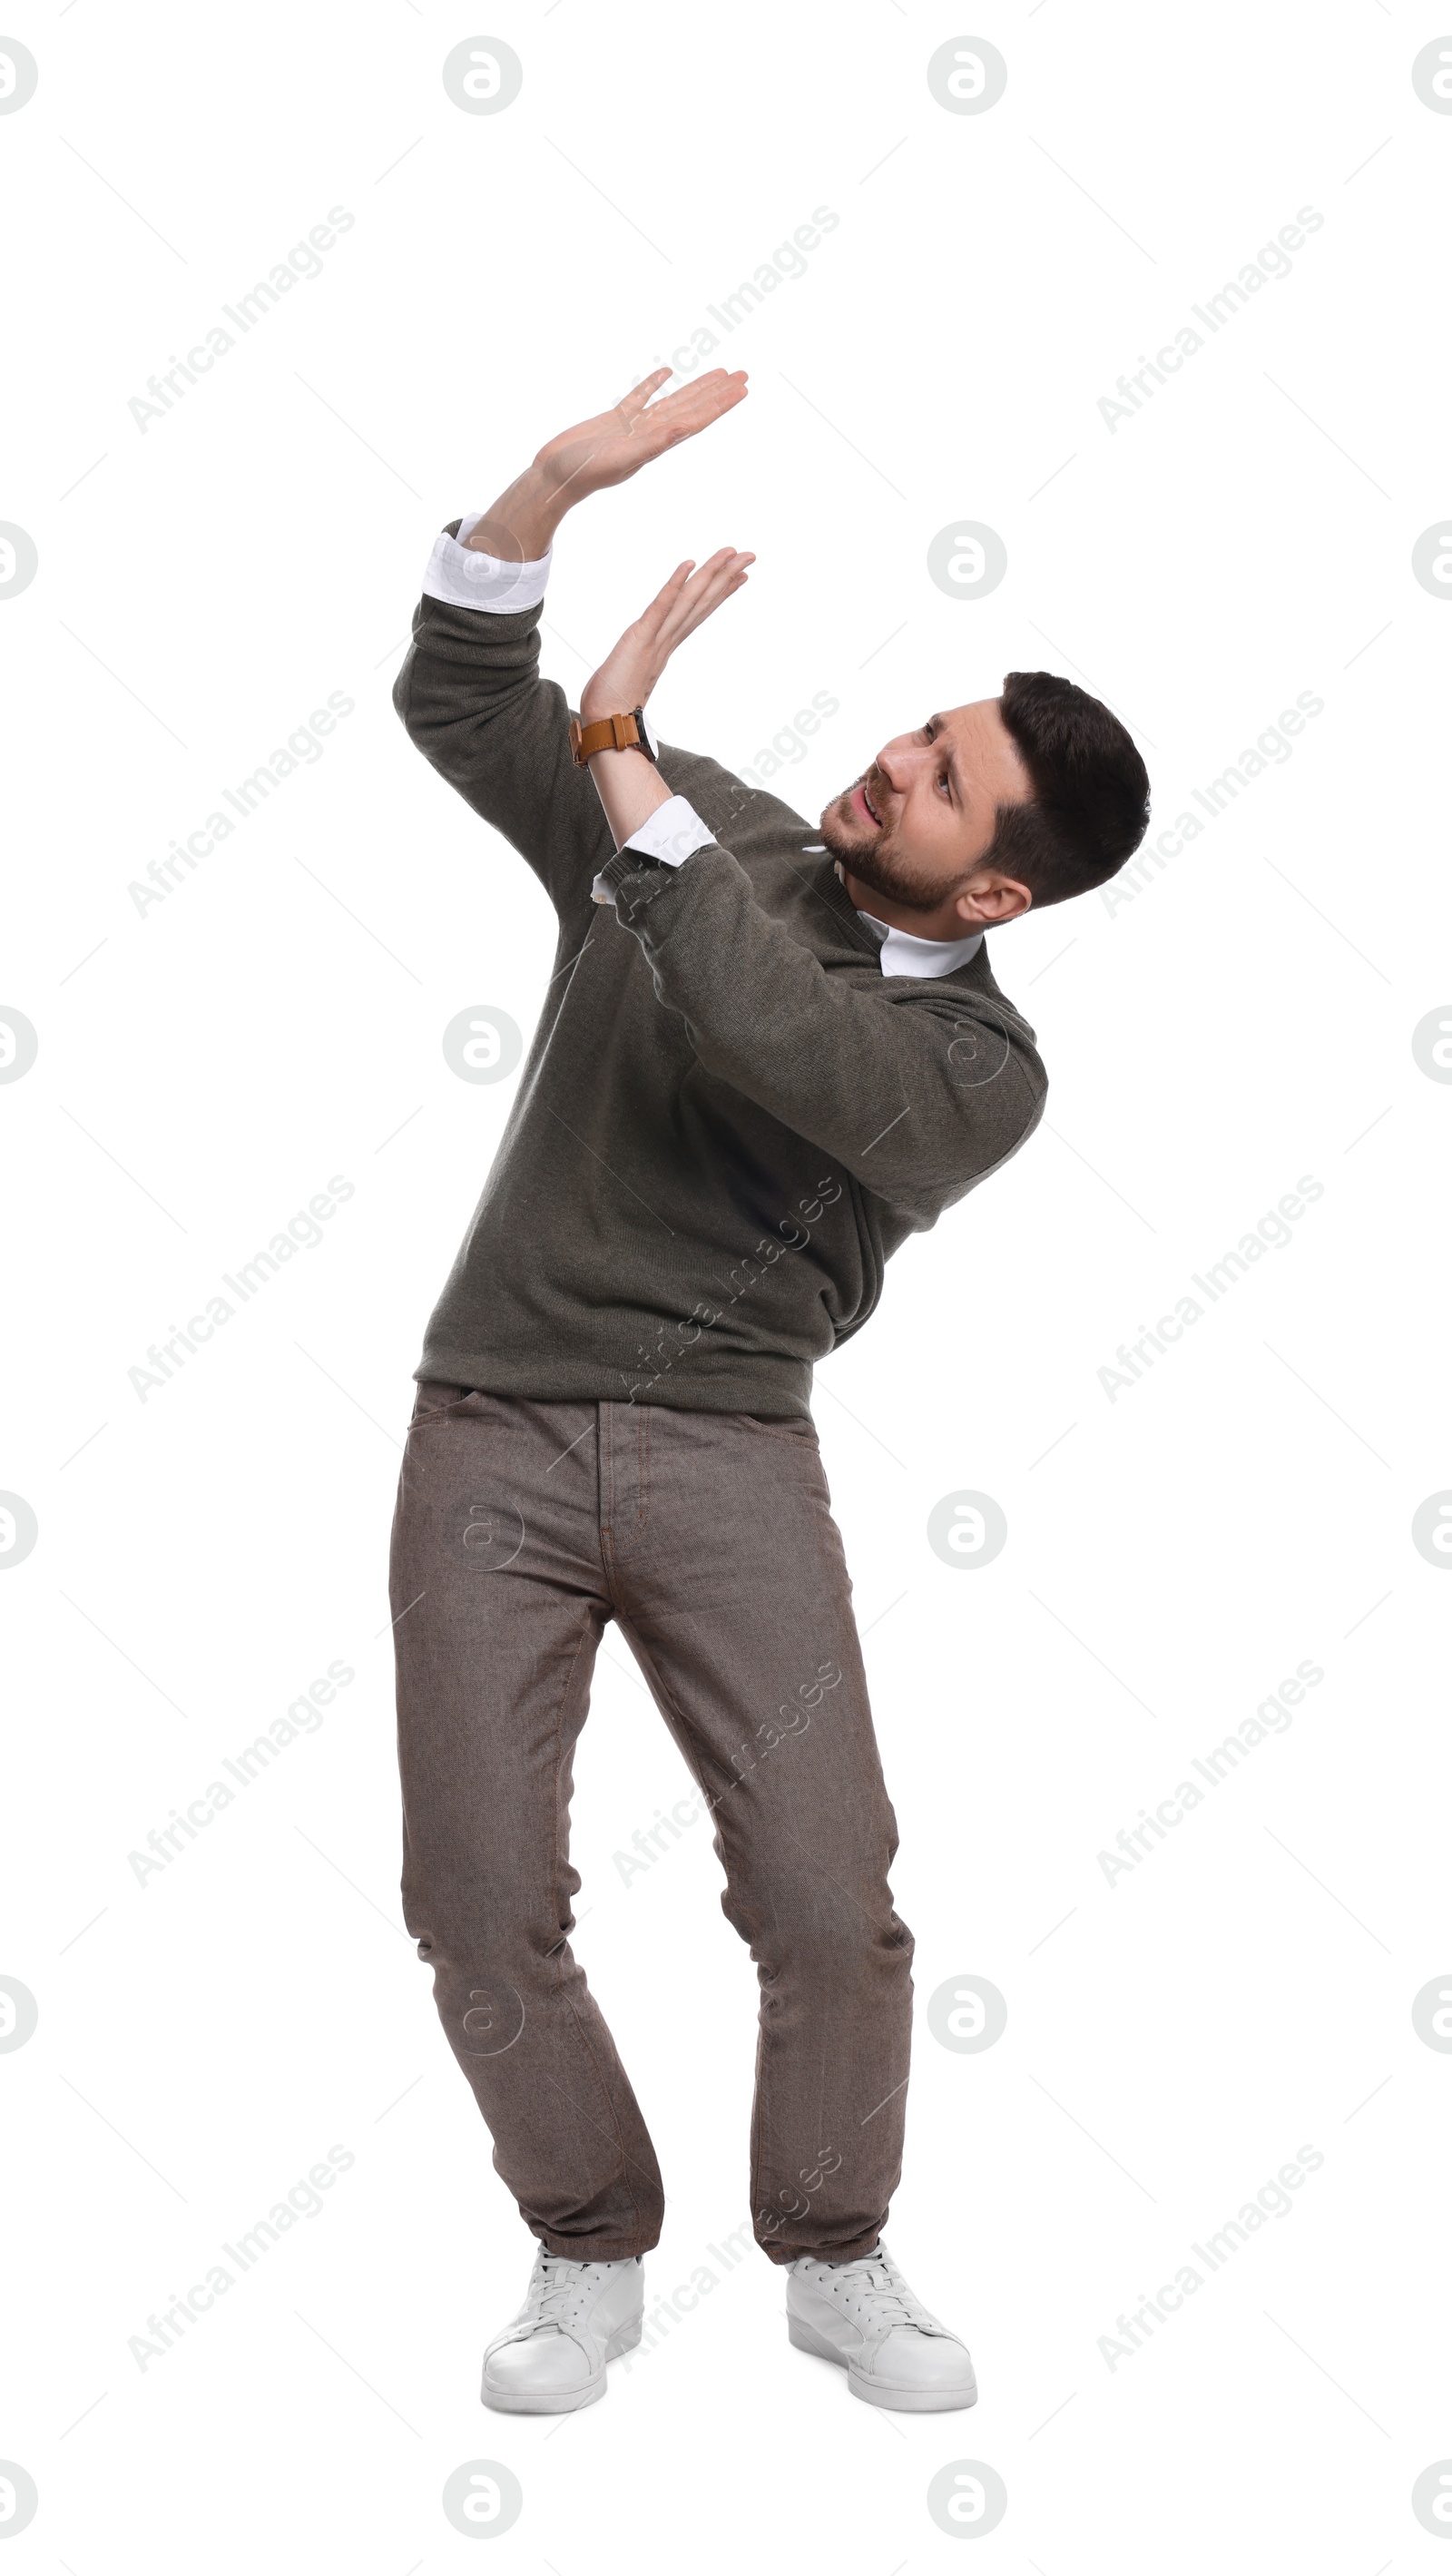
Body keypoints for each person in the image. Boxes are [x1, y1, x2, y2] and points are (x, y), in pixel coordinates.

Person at [388, 368, 1151, 2415]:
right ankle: (583, 2243)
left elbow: (772, 1038)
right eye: (915, 730)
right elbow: (466, 710)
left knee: (824, 1900)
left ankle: (830, 2252)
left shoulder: (981, 1077)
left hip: (732, 1456)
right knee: (470, 1906)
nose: (886, 767)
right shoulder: (700, 823)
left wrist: (625, 748)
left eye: (937, 784)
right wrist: (550, 485)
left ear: (994, 897)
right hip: (492, 1432)